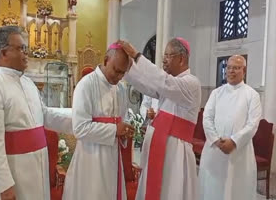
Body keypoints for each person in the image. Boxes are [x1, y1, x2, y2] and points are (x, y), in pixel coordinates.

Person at [0, 26, 72, 200]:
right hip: (16, 171)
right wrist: (5, 185)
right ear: (4, 52)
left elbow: (45, 116)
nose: (26, 53)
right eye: (21, 48)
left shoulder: (28, 83)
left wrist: (79, 122)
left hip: (38, 166)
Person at [119, 37, 201, 200]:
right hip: (161, 144)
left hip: (175, 151)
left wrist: (137, 56)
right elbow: (147, 86)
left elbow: (163, 81)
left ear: (181, 58)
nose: (164, 60)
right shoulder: (172, 85)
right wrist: (128, 69)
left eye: (168, 55)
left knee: (171, 190)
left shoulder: (191, 83)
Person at [63, 43, 135, 200]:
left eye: (123, 73)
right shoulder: (86, 85)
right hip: (91, 159)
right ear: (105, 60)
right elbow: (80, 128)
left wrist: (125, 131)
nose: (119, 77)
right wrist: (115, 130)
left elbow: (123, 120)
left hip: (113, 158)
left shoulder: (121, 89)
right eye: (116, 71)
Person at [198, 55, 261, 200]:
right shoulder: (216, 93)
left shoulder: (252, 95)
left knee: (236, 190)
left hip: (239, 151)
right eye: (229, 67)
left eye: (236, 68)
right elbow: (206, 118)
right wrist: (215, 139)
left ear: (244, 71)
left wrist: (233, 141)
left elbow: (253, 124)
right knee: (212, 189)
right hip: (215, 149)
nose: (231, 71)